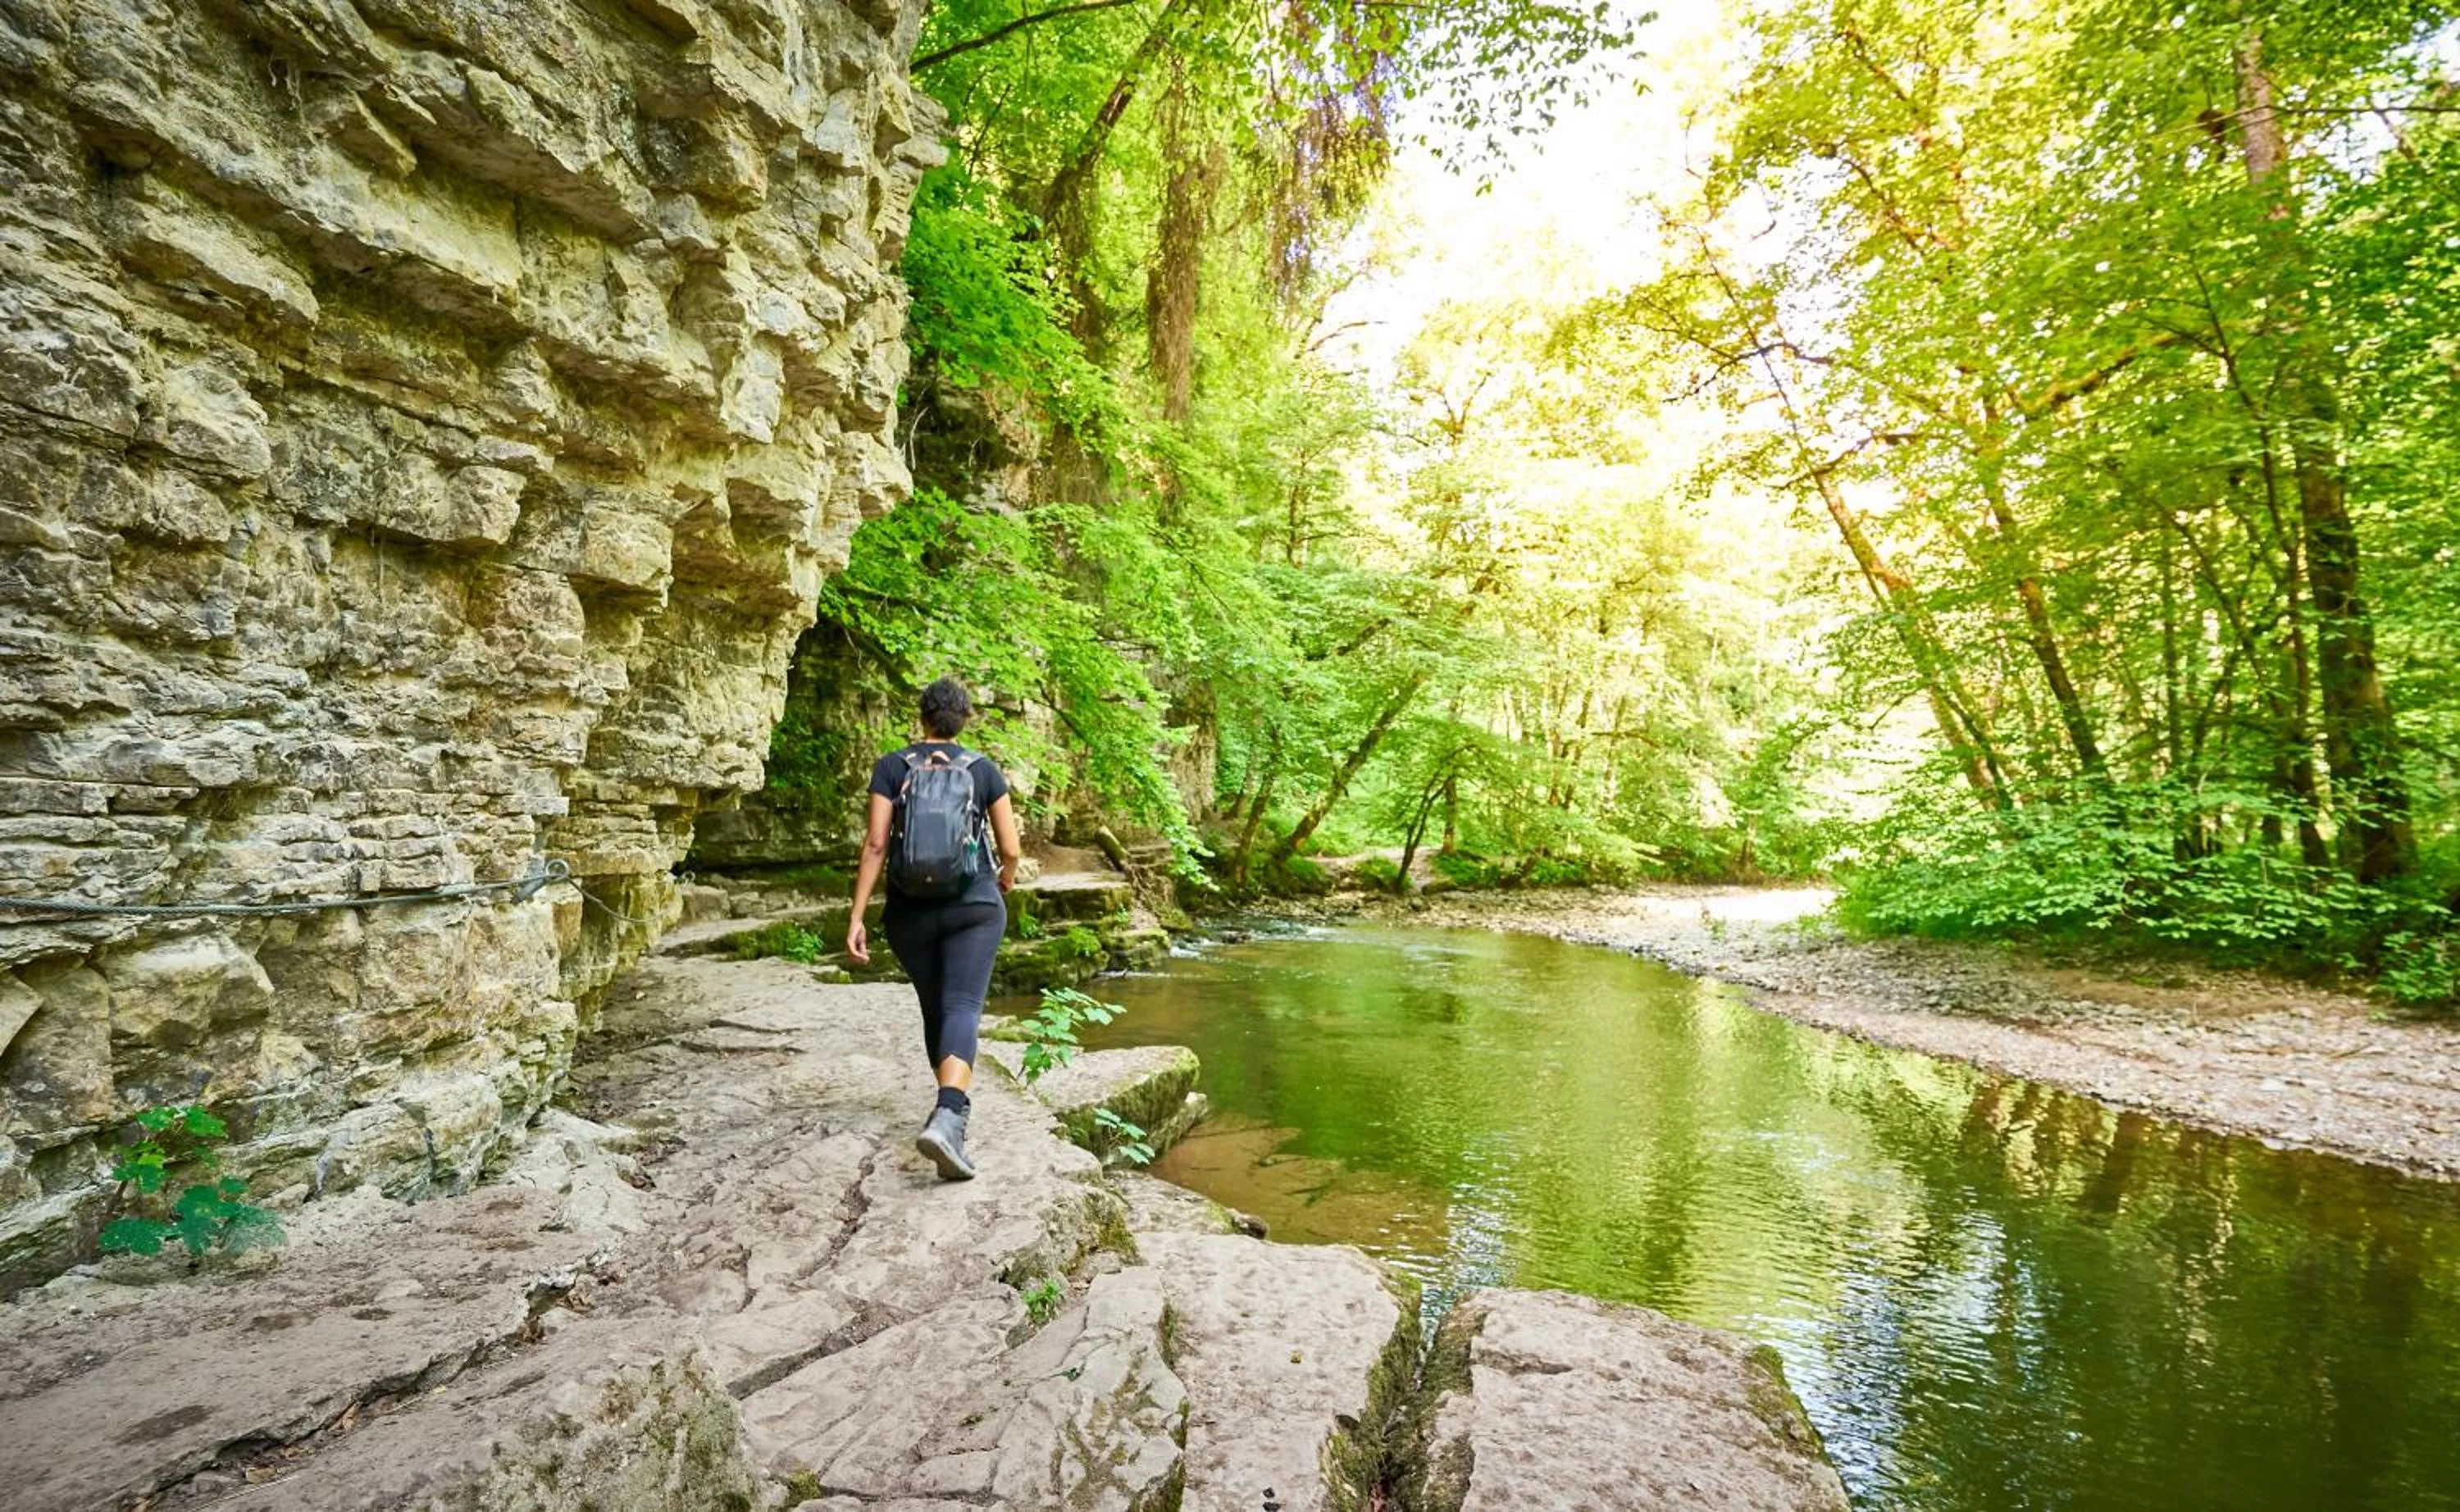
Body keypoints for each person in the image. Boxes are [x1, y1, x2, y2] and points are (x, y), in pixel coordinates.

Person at [847, 677, 1022, 1181]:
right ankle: (948, 1116)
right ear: (962, 720)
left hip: (910, 913)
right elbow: (1010, 848)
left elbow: (876, 844)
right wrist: (1005, 879)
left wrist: (857, 915)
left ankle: (948, 1114)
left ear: (922, 717)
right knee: (962, 1006)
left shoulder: (891, 767)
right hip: (974, 907)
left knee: (935, 1008)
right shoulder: (983, 770)